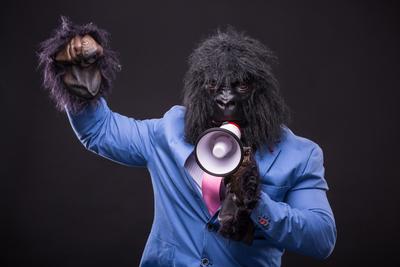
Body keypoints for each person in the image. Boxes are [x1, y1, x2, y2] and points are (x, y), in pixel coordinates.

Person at [38, 17, 336, 267]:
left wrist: (257, 204)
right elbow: (100, 131)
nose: (227, 97)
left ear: (261, 91)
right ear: (200, 90)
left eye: (241, 85)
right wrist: (81, 85)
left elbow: (321, 238)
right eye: (214, 86)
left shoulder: (299, 155)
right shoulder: (170, 131)